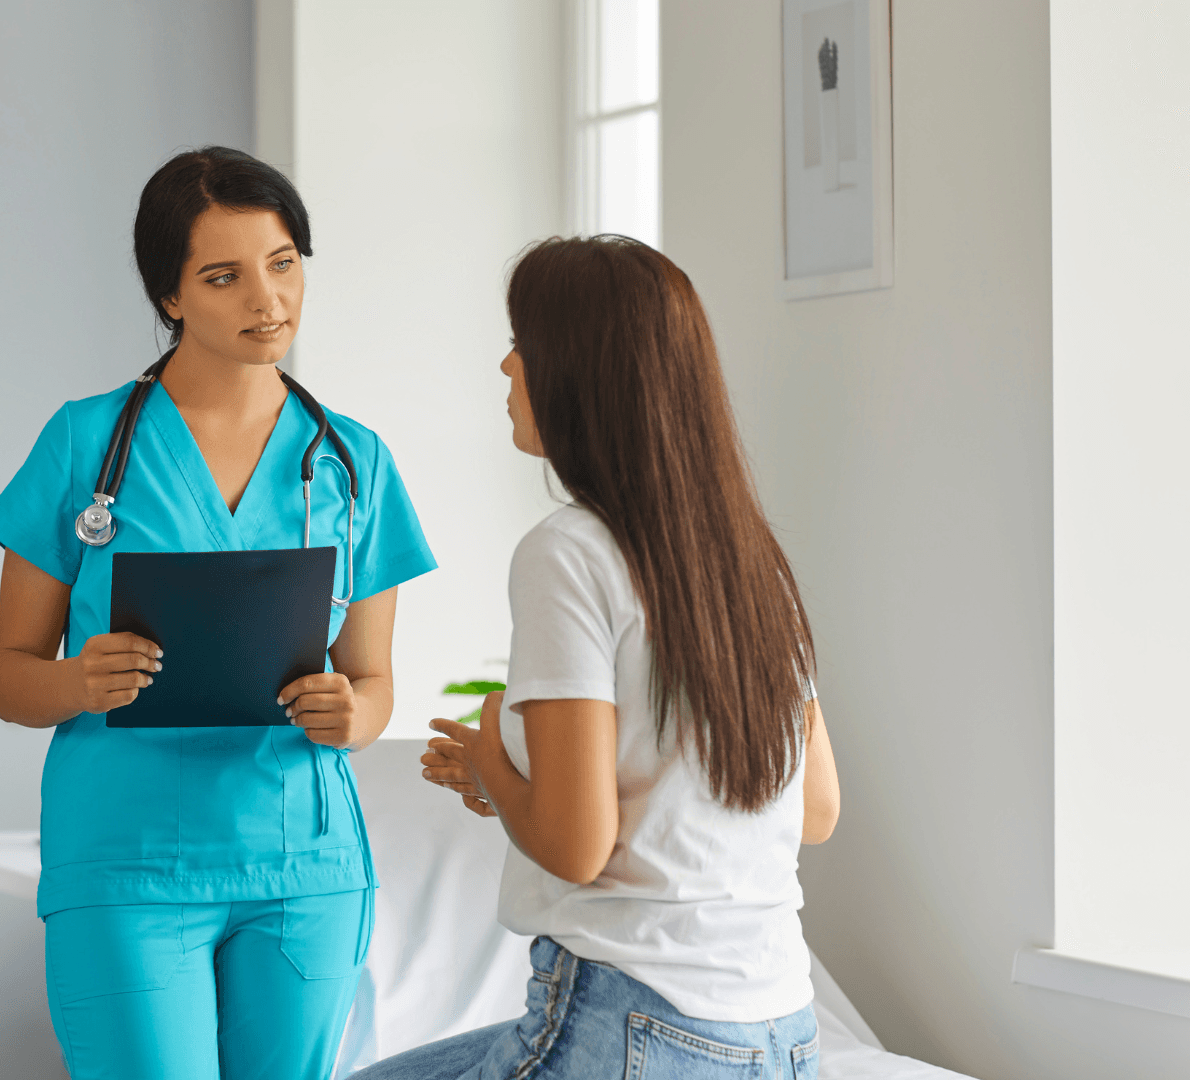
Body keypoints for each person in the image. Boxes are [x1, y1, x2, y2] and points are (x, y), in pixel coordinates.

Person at [0, 146, 436, 1080]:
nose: (267, 301)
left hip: (305, 867)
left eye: (283, 264)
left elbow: (376, 681)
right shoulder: (83, 444)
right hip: (126, 867)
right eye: (223, 277)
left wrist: (358, 714)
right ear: (171, 295)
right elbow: (9, 678)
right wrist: (76, 680)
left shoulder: (356, 461)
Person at [355, 235, 841, 1080]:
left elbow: (577, 848)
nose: (506, 366)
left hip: (637, 1022)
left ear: (581, 372)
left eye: (523, 343)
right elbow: (816, 810)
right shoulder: (750, 557)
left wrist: (489, 765)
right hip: (781, 1036)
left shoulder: (568, 552)